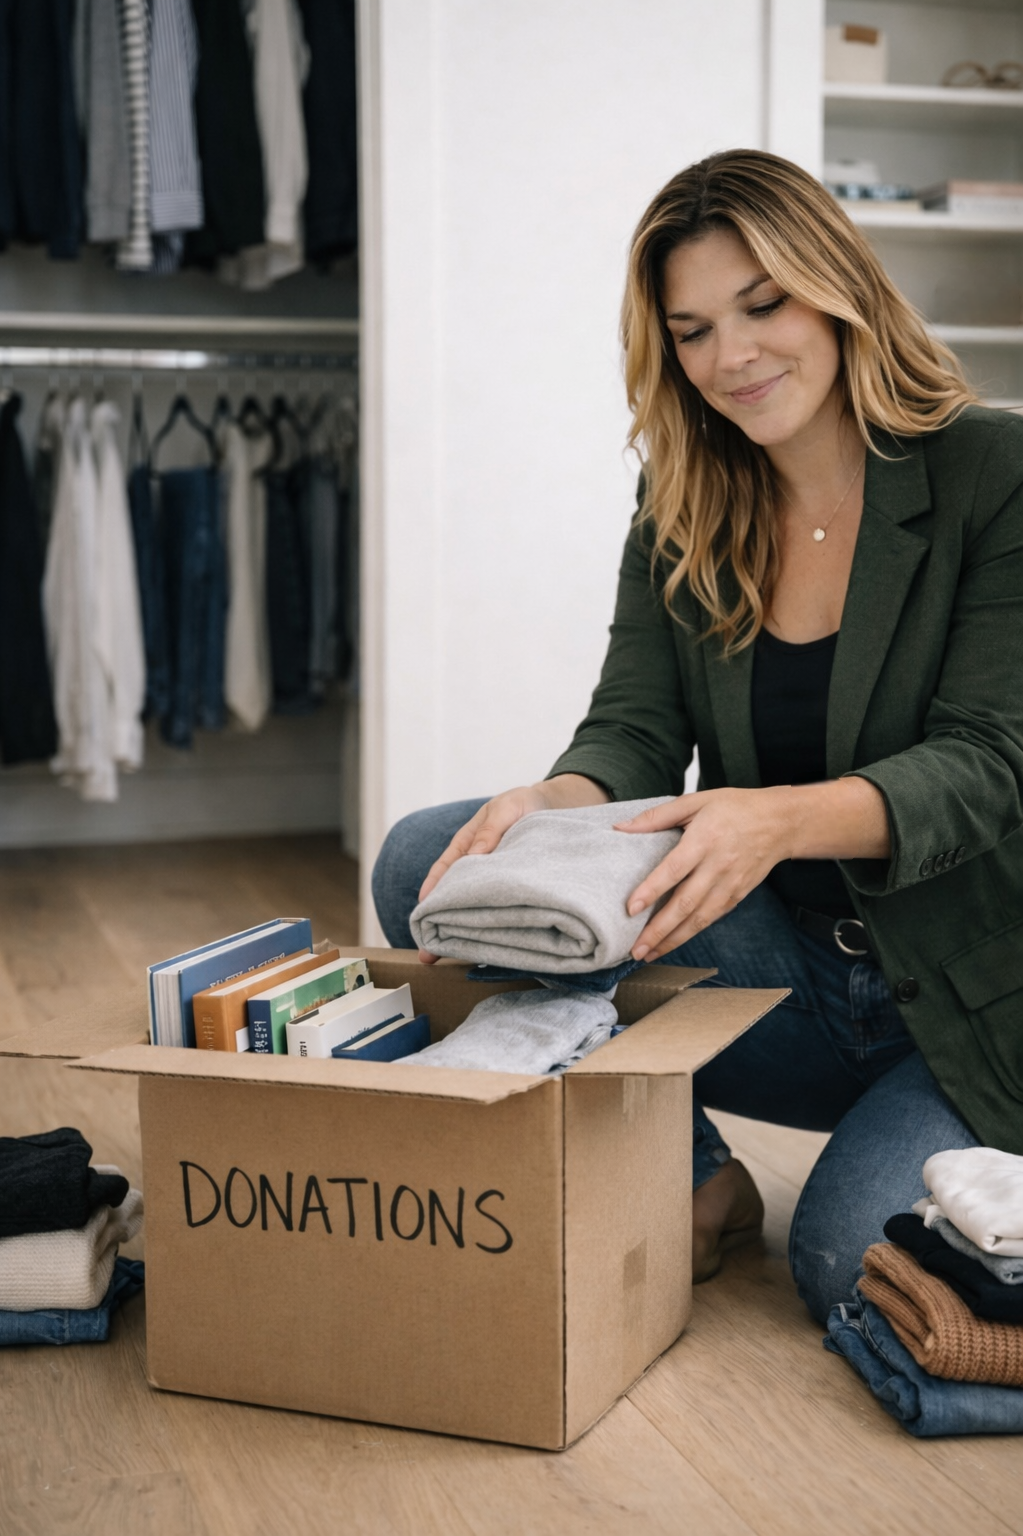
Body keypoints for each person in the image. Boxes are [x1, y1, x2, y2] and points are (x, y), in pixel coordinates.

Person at [371, 150, 1023, 1325]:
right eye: (692, 330)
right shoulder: (681, 499)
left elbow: (990, 763)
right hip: (781, 979)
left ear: (838, 288)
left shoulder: (995, 469)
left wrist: (775, 820)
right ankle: (701, 1178)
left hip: (974, 1002)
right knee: (439, 856)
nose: (732, 357)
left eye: (762, 305)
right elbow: (631, 732)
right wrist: (557, 802)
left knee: (851, 1277)